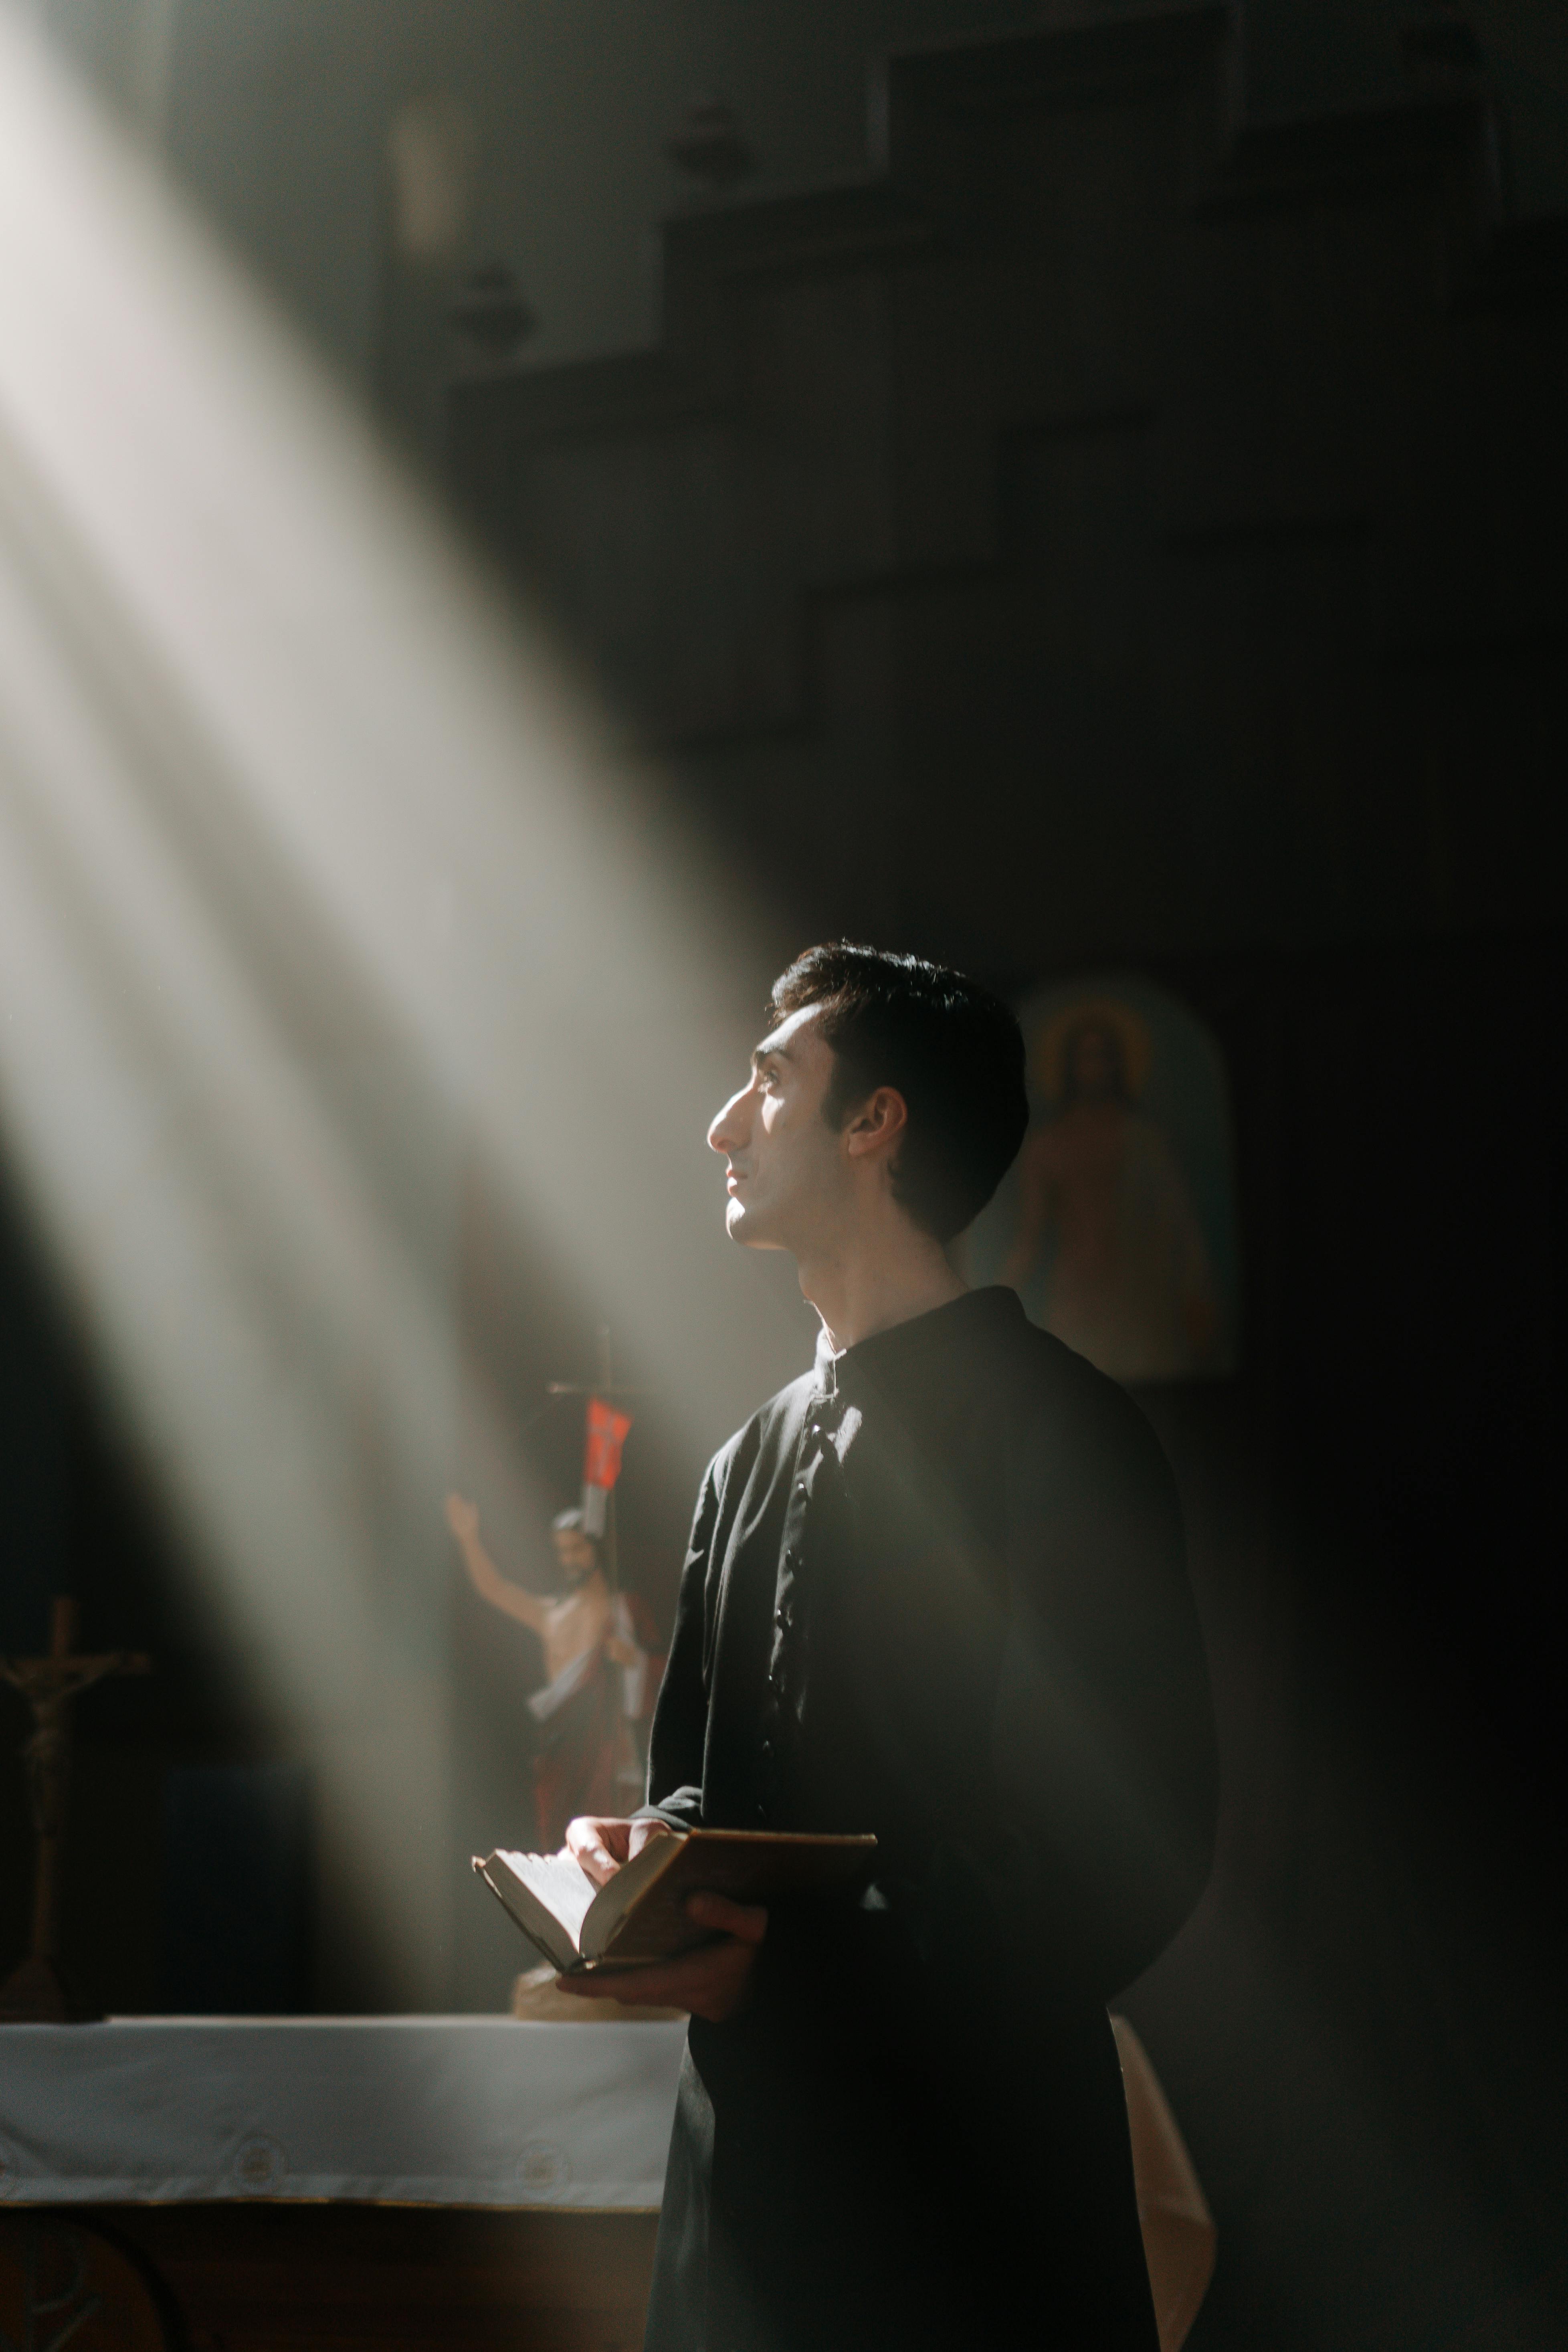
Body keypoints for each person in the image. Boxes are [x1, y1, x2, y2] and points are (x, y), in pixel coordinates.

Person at [557, 942, 1218, 2352]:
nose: (723, 1122)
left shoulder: (1061, 1434)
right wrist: (644, 1864)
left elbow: (1125, 1848)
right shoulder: (743, 1458)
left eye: (769, 1078)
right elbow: (705, 1787)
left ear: (877, 1120)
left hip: (975, 2186)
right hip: (751, 2178)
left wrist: (787, 1965)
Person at [445, 1497, 662, 1848]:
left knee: (612, 1844)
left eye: (577, 1549)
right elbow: (496, 1590)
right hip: (562, 1750)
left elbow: (664, 1671)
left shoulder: (623, 1610)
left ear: (596, 1549)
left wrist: (633, 1659)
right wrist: (469, 1538)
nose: (569, 1560)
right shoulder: (552, 1615)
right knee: (562, 1845)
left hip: (607, 1750)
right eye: (562, 1552)